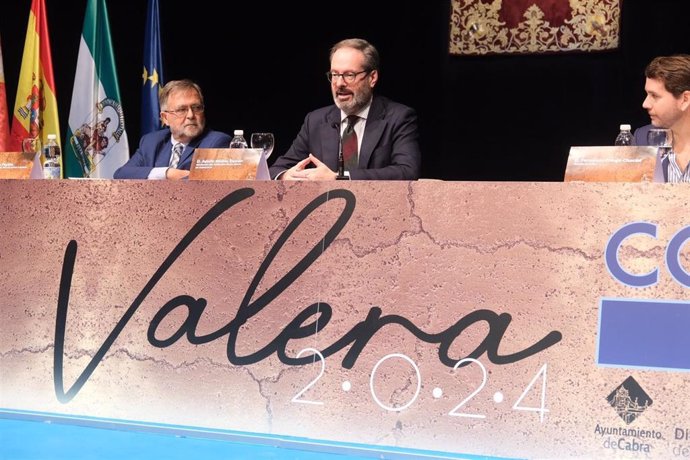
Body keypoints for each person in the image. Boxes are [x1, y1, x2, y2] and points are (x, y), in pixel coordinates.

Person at [269, 38, 421, 180]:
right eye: (335, 74)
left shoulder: (398, 117)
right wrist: (286, 176)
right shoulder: (315, 121)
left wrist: (339, 177)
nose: (339, 83)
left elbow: (407, 171)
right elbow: (277, 170)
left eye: (349, 75)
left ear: (372, 78)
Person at [114, 79, 231, 180]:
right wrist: (167, 173)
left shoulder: (217, 142)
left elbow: (202, 182)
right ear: (165, 118)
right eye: (181, 110)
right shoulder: (151, 142)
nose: (191, 115)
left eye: (196, 108)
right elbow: (121, 174)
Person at [633, 55, 690, 183]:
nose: (645, 104)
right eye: (647, 94)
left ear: (685, 99)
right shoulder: (642, 139)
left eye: (654, 96)